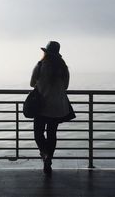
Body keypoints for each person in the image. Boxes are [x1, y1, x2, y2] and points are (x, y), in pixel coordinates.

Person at [30, 41, 74, 175]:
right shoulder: (64, 68)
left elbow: (32, 84)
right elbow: (66, 86)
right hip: (57, 107)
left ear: (46, 53)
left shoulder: (40, 65)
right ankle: (49, 158)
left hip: (41, 106)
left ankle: (45, 154)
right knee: (52, 134)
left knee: (38, 133)